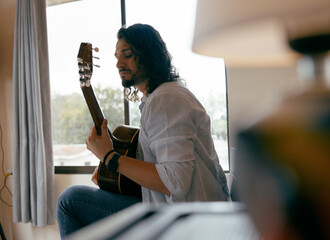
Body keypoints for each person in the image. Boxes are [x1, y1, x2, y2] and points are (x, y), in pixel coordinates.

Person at [57, 23, 229, 238]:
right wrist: (109, 170)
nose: (119, 63)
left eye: (127, 55)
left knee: (70, 200)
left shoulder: (166, 100)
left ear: (149, 55)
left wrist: (109, 157)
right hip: (180, 209)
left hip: (185, 217)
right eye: (117, 57)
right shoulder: (164, 97)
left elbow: (175, 181)